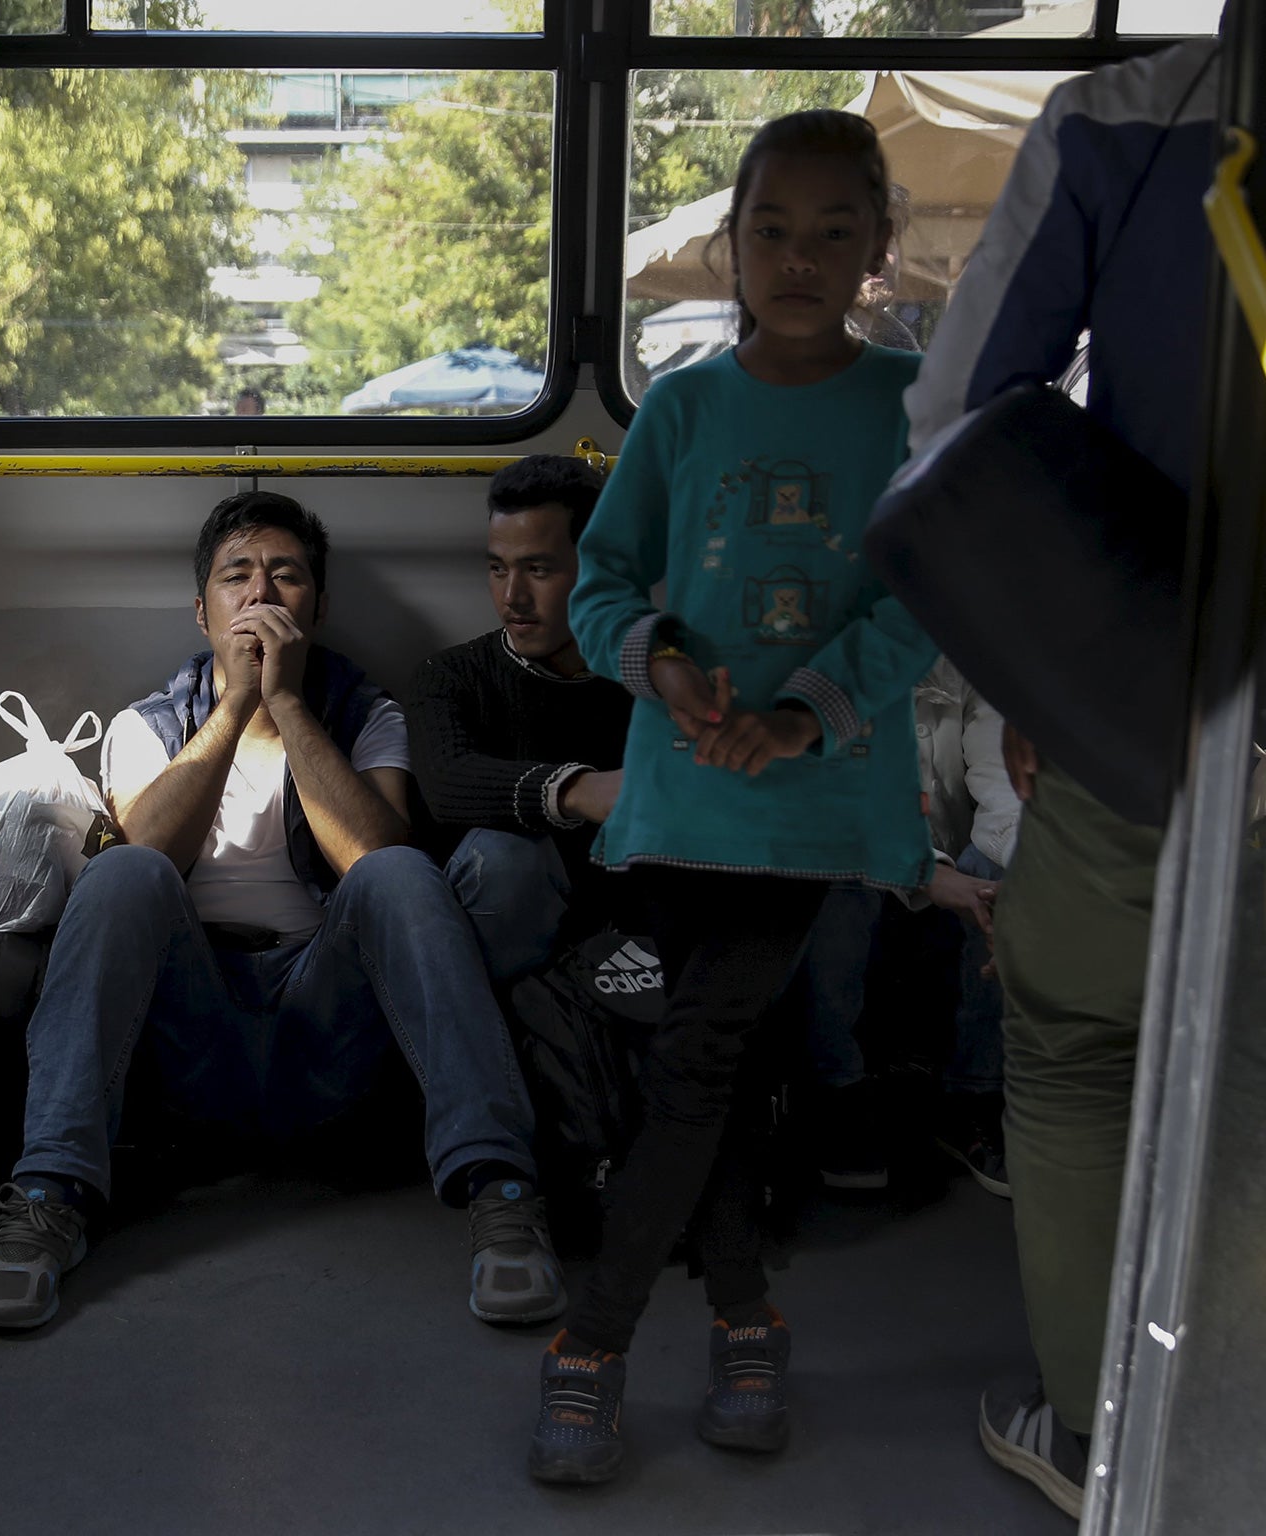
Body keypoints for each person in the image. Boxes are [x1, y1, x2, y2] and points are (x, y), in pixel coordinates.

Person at [529, 110, 939, 1486]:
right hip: (684, 796)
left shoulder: (910, 407)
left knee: (696, 1059)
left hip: (810, 801)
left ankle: (589, 1345)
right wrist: (664, 660)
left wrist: (796, 710)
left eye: (836, 232)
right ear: (731, 246)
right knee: (710, 1070)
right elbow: (602, 588)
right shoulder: (686, 406)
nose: (800, 258)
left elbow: (920, 603)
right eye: (772, 229)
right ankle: (748, 1321)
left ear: (880, 248)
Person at [0, 490, 554, 1334]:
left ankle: (501, 1193)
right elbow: (151, 852)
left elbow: (371, 855)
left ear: (318, 605)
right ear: (203, 612)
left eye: (287, 578)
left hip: (329, 1023)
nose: (263, 596)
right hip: (196, 1029)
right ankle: (48, 1197)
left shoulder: (367, 715)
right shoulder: (148, 724)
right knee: (121, 873)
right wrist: (237, 705)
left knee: (400, 876)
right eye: (239, 578)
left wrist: (289, 705)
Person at [903, 33, 1222, 1520]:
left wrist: (1042, 678)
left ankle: (1104, 1436)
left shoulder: (1135, 119)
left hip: (1176, 713)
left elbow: (958, 419)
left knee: (1081, 1039)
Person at [408, 453, 633, 985]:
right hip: (501, 941)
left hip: (627, 927)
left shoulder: (649, 675)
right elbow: (448, 782)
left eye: (538, 569)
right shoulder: (450, 675)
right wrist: (577, 790)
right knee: (508, 857)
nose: (512, 598)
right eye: (497, 568)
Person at [798, 656, 1019, 1195]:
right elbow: (839, 797)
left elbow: (1003, 778)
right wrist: (927, 871)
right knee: (833, 876)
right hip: (856, 863)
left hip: (954, 877)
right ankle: (838, 1093)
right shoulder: (826, 652)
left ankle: (972, 1096)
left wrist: (997, 869)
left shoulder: (974, 654)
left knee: (1009, 870)